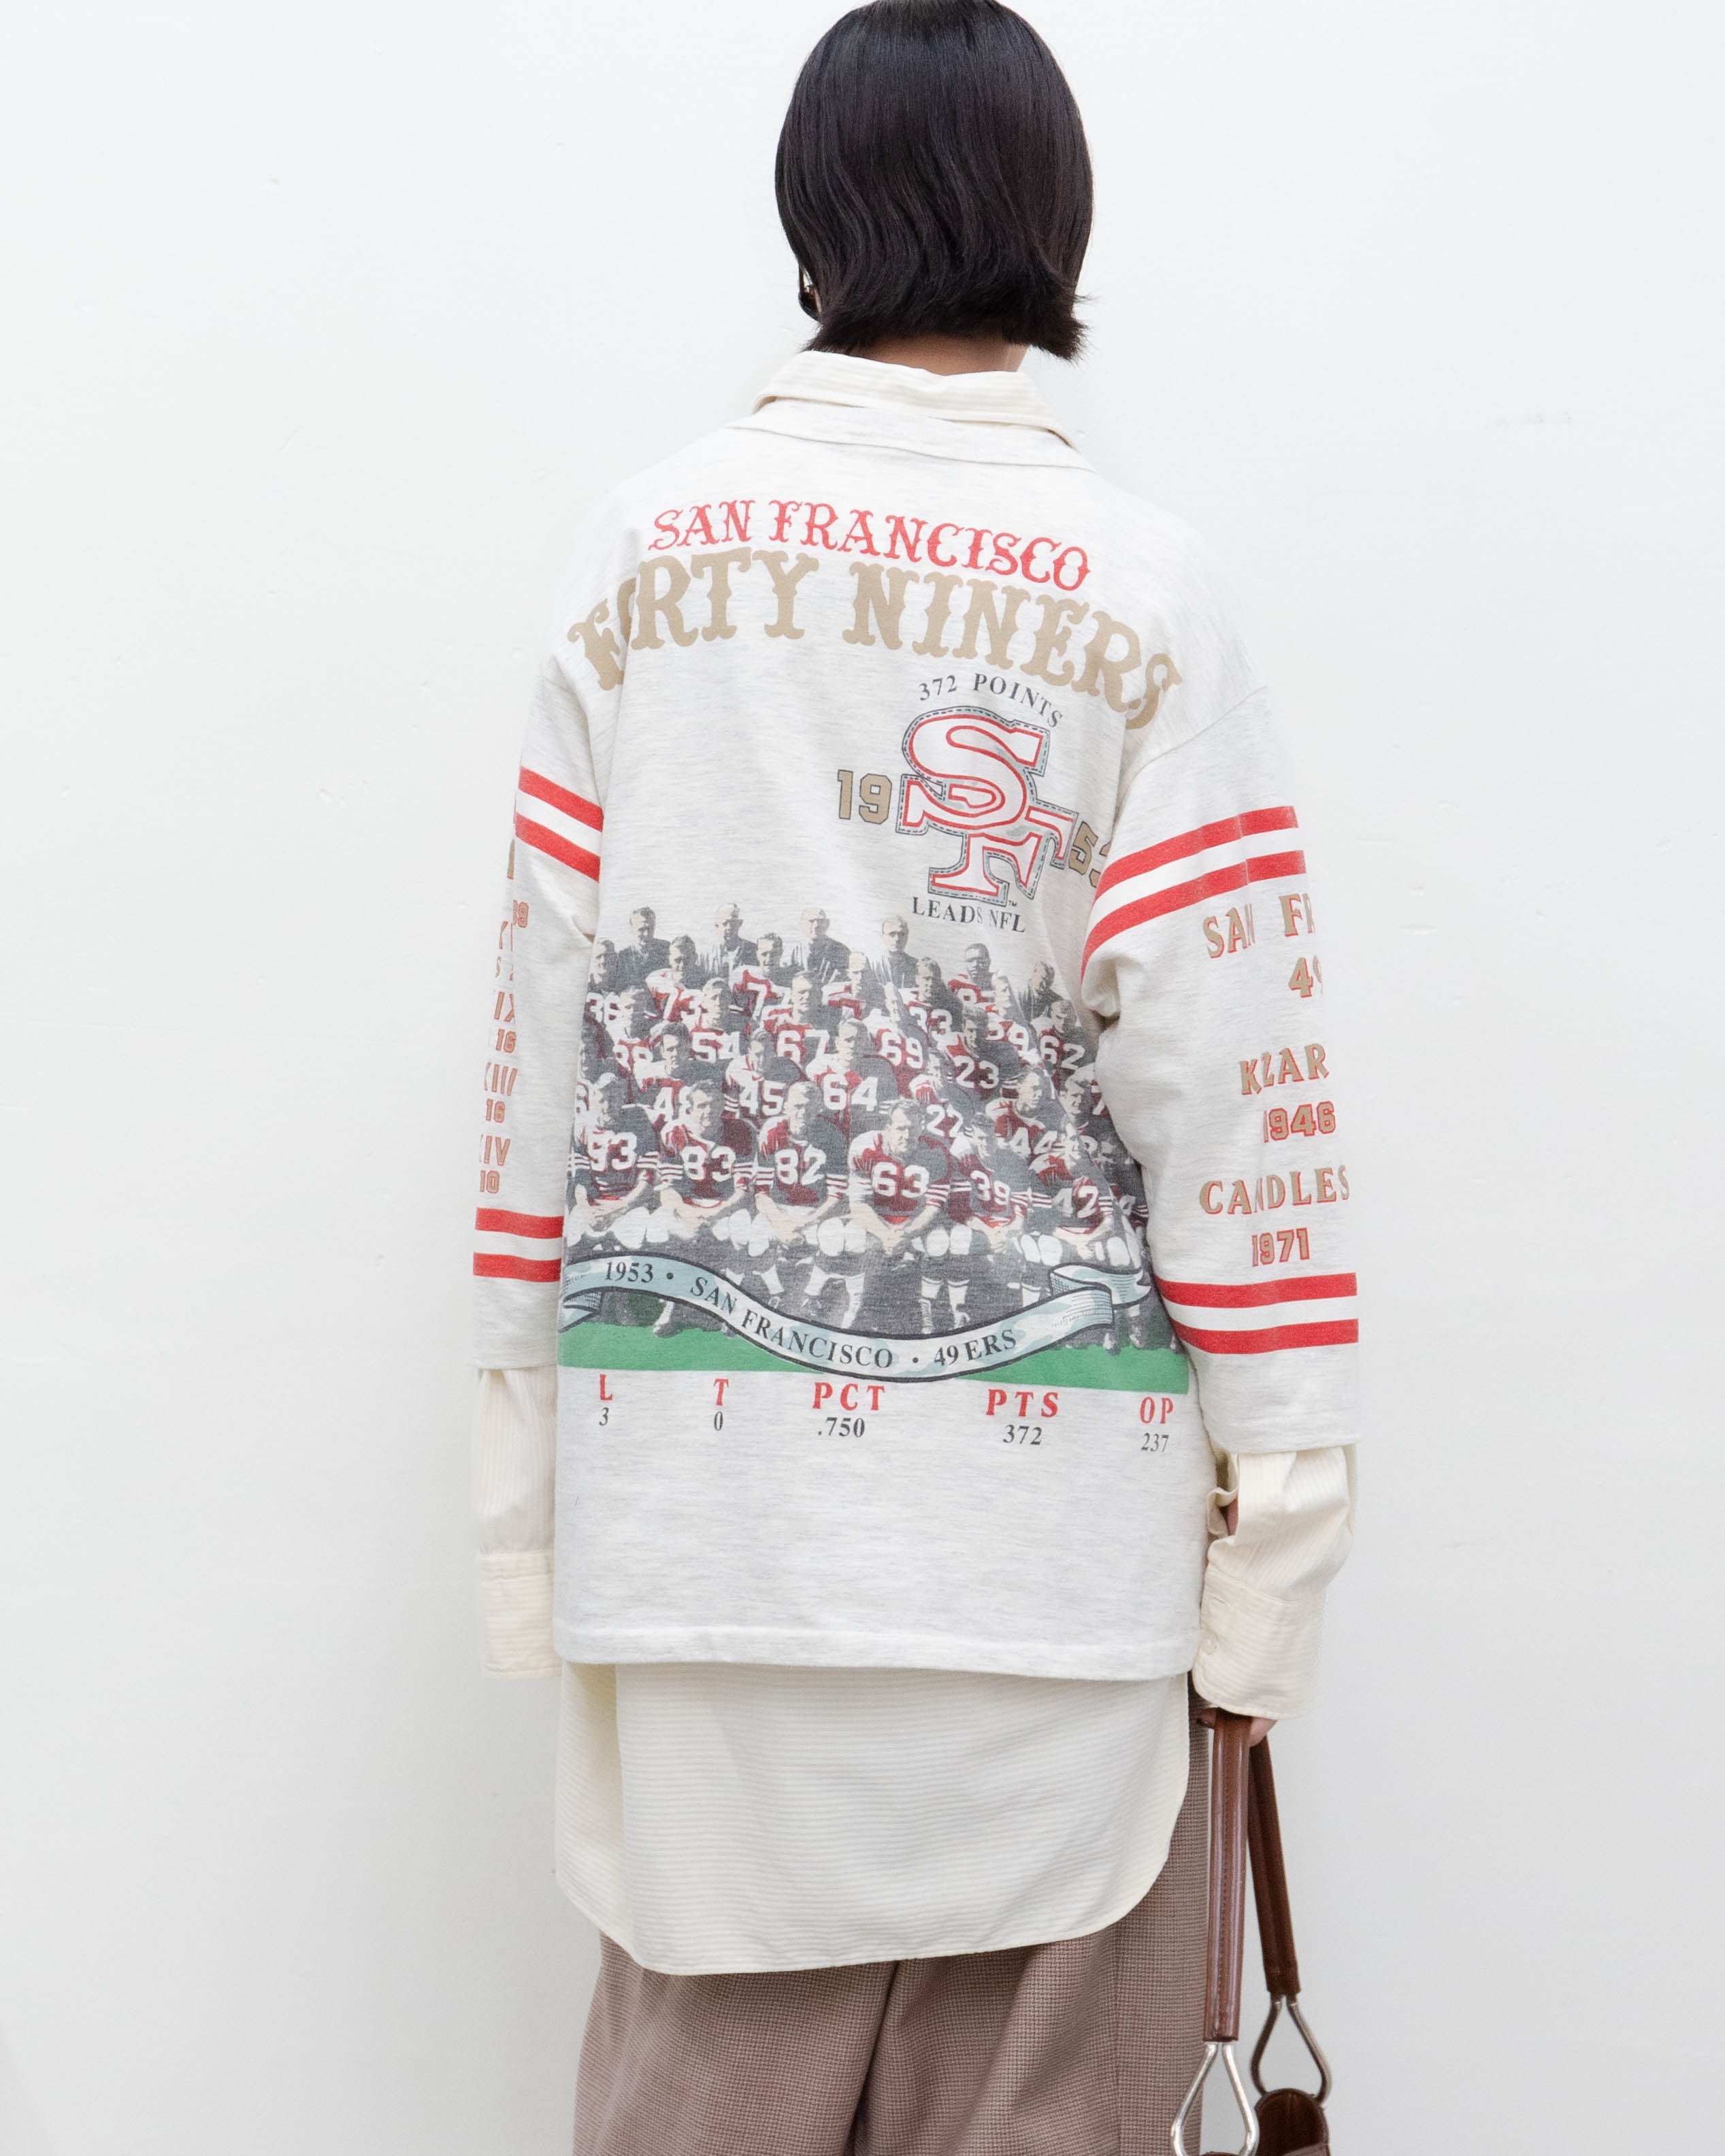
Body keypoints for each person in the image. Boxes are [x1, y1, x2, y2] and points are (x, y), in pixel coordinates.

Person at [467, 5, 1358, 2151]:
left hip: (707, 1560)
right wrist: (1282, 1546)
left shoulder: (643, 554)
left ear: (814, 220)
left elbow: (541, 1052)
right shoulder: (1152, 590)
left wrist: (525, 1513)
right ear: (1058, 220)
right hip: (1051, 1583)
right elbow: (1231, 1089)